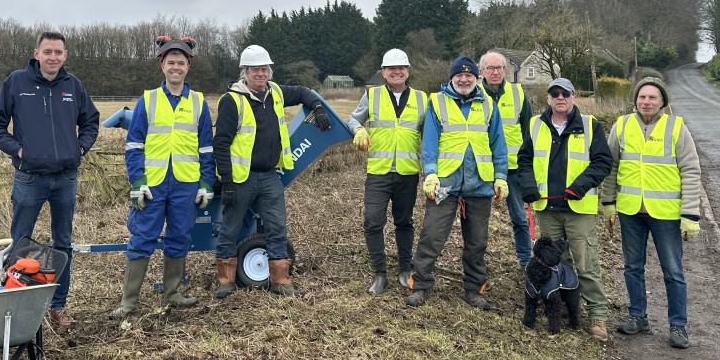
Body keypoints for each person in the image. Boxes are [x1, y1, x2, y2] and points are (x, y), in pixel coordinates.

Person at [0, 30, 100, 328]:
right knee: (20, 242)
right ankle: (14, 306)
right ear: (37, 54)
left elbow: (91, 120)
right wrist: (18, 150)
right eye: (47, 52)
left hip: (65, 178)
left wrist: (81, 147)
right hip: (29, 178)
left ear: (65, 56)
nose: (53, 57)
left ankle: (58, 307)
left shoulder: (73, 86)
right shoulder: (16, 83)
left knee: (63, 244)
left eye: (58, 52)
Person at [211, 44, 332, 298]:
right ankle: (226, 281)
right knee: (230, 227)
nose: (260, 74)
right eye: (255, 69)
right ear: (245, 72)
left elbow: (302, 92)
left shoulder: (275, 92)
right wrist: (228, 181)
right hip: (241, 177)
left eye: (264, 69)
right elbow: (220, 143)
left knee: (277, 227)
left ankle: (280, 281)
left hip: (269, 176)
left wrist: (317, 106)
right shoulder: (232, 100)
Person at [109, 37, 216, 318]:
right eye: (171, 62)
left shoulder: (199, 102)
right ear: (162, 65)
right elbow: (134, 146)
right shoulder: (148, 100)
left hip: (185, 183)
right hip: (153, 184)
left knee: (180, 236)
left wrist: (206, 183)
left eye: (181, 62)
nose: (176, 67)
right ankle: (129, 301)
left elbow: (206, 147)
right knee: (142, 237)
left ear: (188, 66)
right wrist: (137, 182)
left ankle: (173, 293)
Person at [599, 76, 701, 349]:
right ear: (635, 100)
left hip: (666, 213)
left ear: (662, 102)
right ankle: (637, 316)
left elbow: (691, 170)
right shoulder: (621, 126)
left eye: (652, 97)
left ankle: (678, 326)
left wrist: (690, 214)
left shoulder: (676, 127)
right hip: (630, 210)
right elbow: (610, 167)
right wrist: (608, 202)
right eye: (642, 96)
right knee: (633, 267)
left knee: (673, 271)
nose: (646, 101)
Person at [406, 56, 509, 309]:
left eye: (469, 76)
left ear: (477, 77)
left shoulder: (488, 104)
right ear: (451, 78)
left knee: (477, 241)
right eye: (459, 76)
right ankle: (420, 285)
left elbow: (498, 142)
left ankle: (474, 289)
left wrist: (501, 176)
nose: (464, 79)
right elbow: (429, 141)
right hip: (445, 182)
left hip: (480, 183)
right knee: (432, 235)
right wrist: (430, 172)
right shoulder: (437, 102)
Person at [516, 77, 612, 342]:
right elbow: (524, 160)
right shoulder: (536, 125)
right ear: (548, 98)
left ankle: (597, 315)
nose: (560, 98)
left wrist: (581, 185)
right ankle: (567, 309)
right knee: (557, 265)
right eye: (554, 93)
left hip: (578, 208)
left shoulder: (591, 126)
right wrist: (527, 185)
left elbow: (602, 162)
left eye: (565, 93)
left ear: (573, 97)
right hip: (547, 207)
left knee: (586, 263)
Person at [347, 48, 426, 295]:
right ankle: (380, 274)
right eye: (391, 69)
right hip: (379, 172)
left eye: (401, 68)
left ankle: (404, 269)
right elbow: (353, 119)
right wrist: (359, 130)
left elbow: (432, 133)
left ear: (408, 72)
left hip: (407, 171)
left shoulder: (423, 99)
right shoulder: (372, 96)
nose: (396, 72)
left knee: (404, 222)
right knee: (372, 221)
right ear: (383, 72)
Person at [479, 51, 534, 268]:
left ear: (505, 70)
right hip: (483, 167)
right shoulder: (473, 93)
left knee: (520, 217)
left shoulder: (518, 93)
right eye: (490, 68)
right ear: (481, 72)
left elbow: (529, 130)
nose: (495, 72)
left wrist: (528, 164)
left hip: (513, 168)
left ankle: (526, 261)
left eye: (499, 68)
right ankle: (477, 263)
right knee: (478, 220)